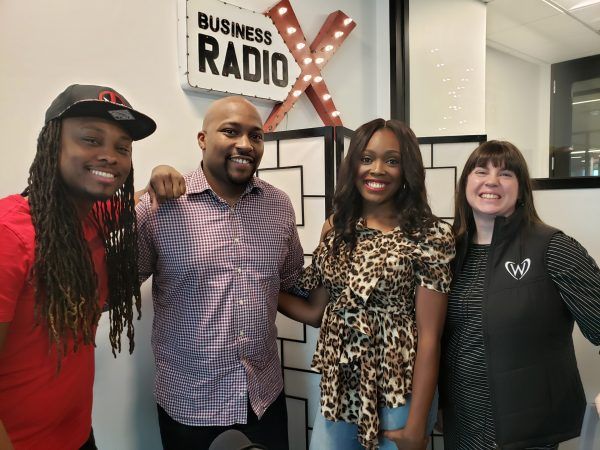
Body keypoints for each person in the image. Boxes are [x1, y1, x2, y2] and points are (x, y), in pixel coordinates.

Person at [136, 96, 304, 450]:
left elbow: (292, 282)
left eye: (255, 136)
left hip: (263, 397)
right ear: (203, 139)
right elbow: (113, 289)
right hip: (190, 402)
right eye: (230, 131)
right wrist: (118, 204)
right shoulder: (160, 207)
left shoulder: (279, 206)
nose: (245, 144)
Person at [278, 118, 455, 450]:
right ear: (353, 165)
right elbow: (316, 312)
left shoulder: (430, 234)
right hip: (341, 389)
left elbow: (431, 336)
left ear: (407, 169)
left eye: (392, 160)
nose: (377, 169)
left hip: (399, 392)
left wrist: (416, 426)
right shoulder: (336, 227)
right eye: (366, 158)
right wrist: (261, 291)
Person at [0, 84, 156, 449]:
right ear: (52, 144)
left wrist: (161, 178)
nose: (110, 156)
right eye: (90, 139)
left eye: (122, 148)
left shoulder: (95, 217)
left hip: (79, 436)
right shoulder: (9, 235)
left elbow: (138, 199)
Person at [440, 140, 600, 449]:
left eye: (505, 174)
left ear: (521, 188)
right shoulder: (449, 252)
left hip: (527, 430)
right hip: (462, 424)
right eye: (481, 171)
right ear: (465, 184)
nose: (491, 181)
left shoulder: (552, 247)